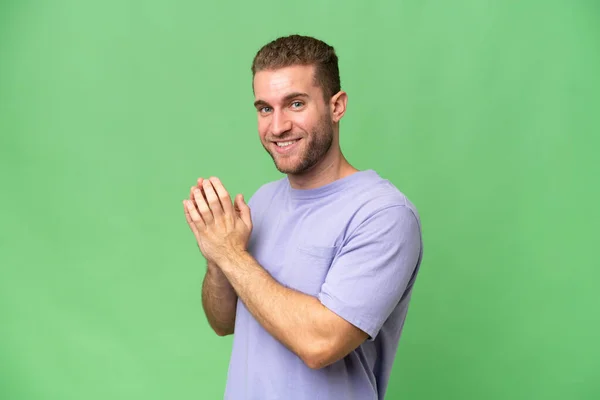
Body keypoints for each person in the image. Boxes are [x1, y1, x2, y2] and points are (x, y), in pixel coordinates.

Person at [183, 34, 424, 400]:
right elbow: (225, 322)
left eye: (295, 104)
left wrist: (232, 254)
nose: (277, 126)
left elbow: (320, 343)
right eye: (265, 108)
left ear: (336, 106)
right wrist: (217, 258)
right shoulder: (262, 201)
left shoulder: (383, 214)